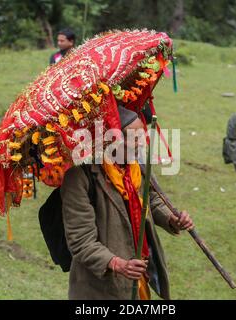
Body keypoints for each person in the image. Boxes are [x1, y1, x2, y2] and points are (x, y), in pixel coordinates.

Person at [60, 106, 194, 300]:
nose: (140, 146)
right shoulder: (79, 178)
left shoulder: (135, 164)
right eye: (134, 141)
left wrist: (172, 219)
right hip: (101, 288)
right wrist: (117, 264)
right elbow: (82, 241)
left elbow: (150, 198)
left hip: (138, 276)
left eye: (142, 139)